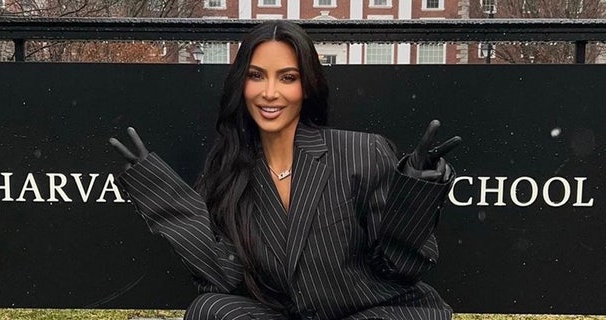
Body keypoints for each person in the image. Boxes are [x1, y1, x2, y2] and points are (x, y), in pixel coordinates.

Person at [109, 20, 460, 320]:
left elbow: (400, 268)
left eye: (287, 77)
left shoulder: (361, 151)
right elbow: (223, 276)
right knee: (210, 309)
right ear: (241, 84)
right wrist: (163, 197)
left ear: (306, 86)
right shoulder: (228, 171)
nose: (270, 93)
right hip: (287, 315)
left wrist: (412, 196)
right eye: (256, 76)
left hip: (373, 312)